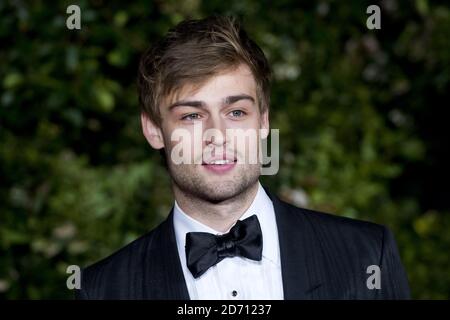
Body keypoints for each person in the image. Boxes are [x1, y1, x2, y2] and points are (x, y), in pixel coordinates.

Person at [75, 15, 410, 300]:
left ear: (263, 121)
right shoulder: (102, 290)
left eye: (236, 112)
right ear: (152, 130)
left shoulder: (366, 255)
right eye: (191, 116)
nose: (218, 135)